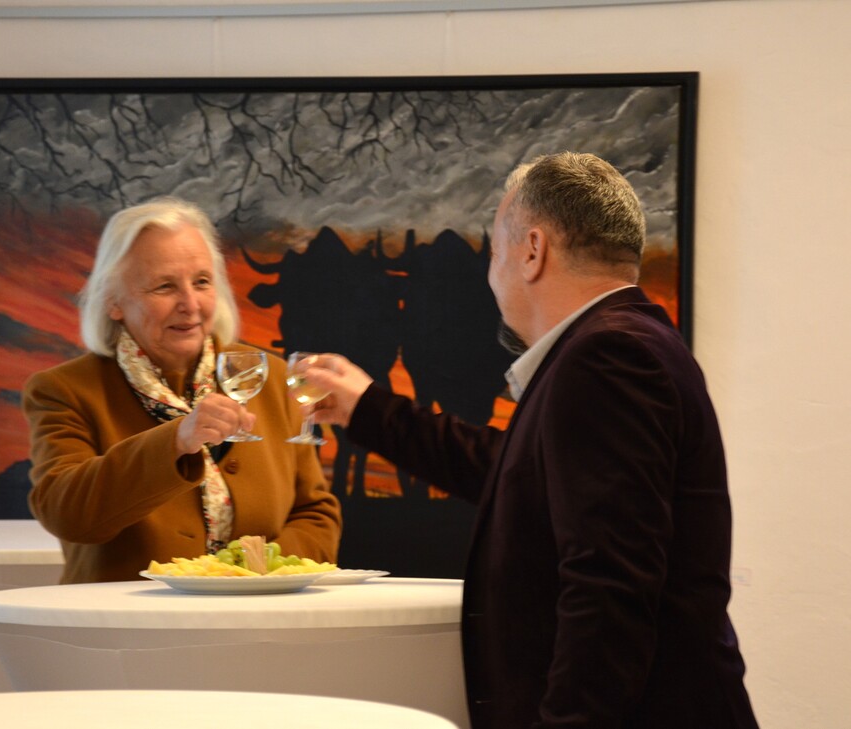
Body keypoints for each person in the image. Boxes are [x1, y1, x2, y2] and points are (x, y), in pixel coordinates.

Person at [301, 153, 758, 728]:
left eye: (495, 251)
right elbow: (512, 472)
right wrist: (370, 409)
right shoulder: (627, 342)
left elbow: (608, 591)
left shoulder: (607, 359)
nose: (491, 273)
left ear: (533, 250)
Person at [22, 197, 341, 584]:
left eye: (202, 282)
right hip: (129, 618)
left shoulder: (269, 378)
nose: (190, 304)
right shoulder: (63, 390)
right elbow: (65, 515)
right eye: (165, 286)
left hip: (256, 615)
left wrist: (254, 573)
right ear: (113, 302)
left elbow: (316, 514)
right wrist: (175, 441)